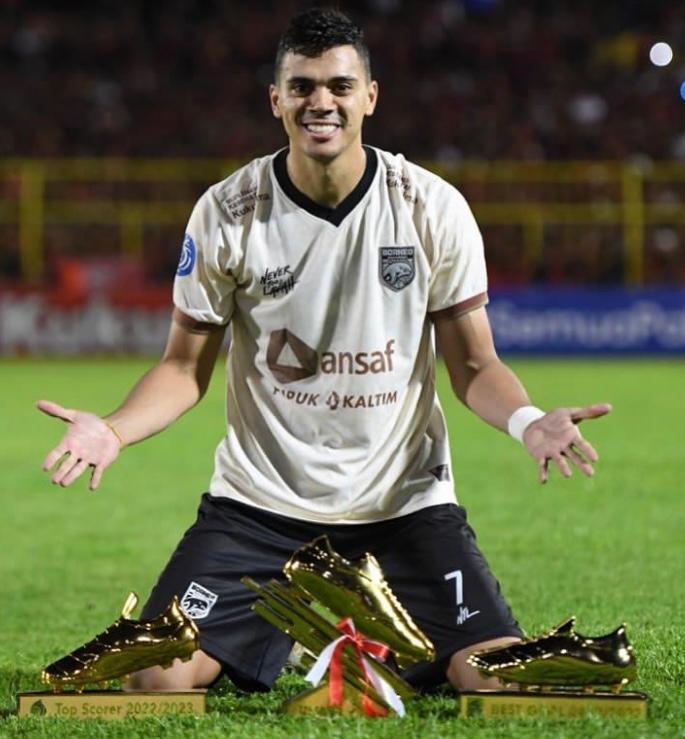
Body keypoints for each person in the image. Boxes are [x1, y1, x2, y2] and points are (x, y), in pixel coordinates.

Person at [38, 8, 611, 694]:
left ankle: (346, 633)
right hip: (258, 509)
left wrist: (527, 421)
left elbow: (474, 364)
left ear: (369, 96)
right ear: (275, 99)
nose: (321, 102)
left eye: (339, 85)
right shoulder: (228, 211)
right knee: (154, 680)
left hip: (404, 507)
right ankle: (286, 629)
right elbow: (182, 367)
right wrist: (112, 428)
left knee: (494, 675)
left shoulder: (430, 206)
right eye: (302, 85)